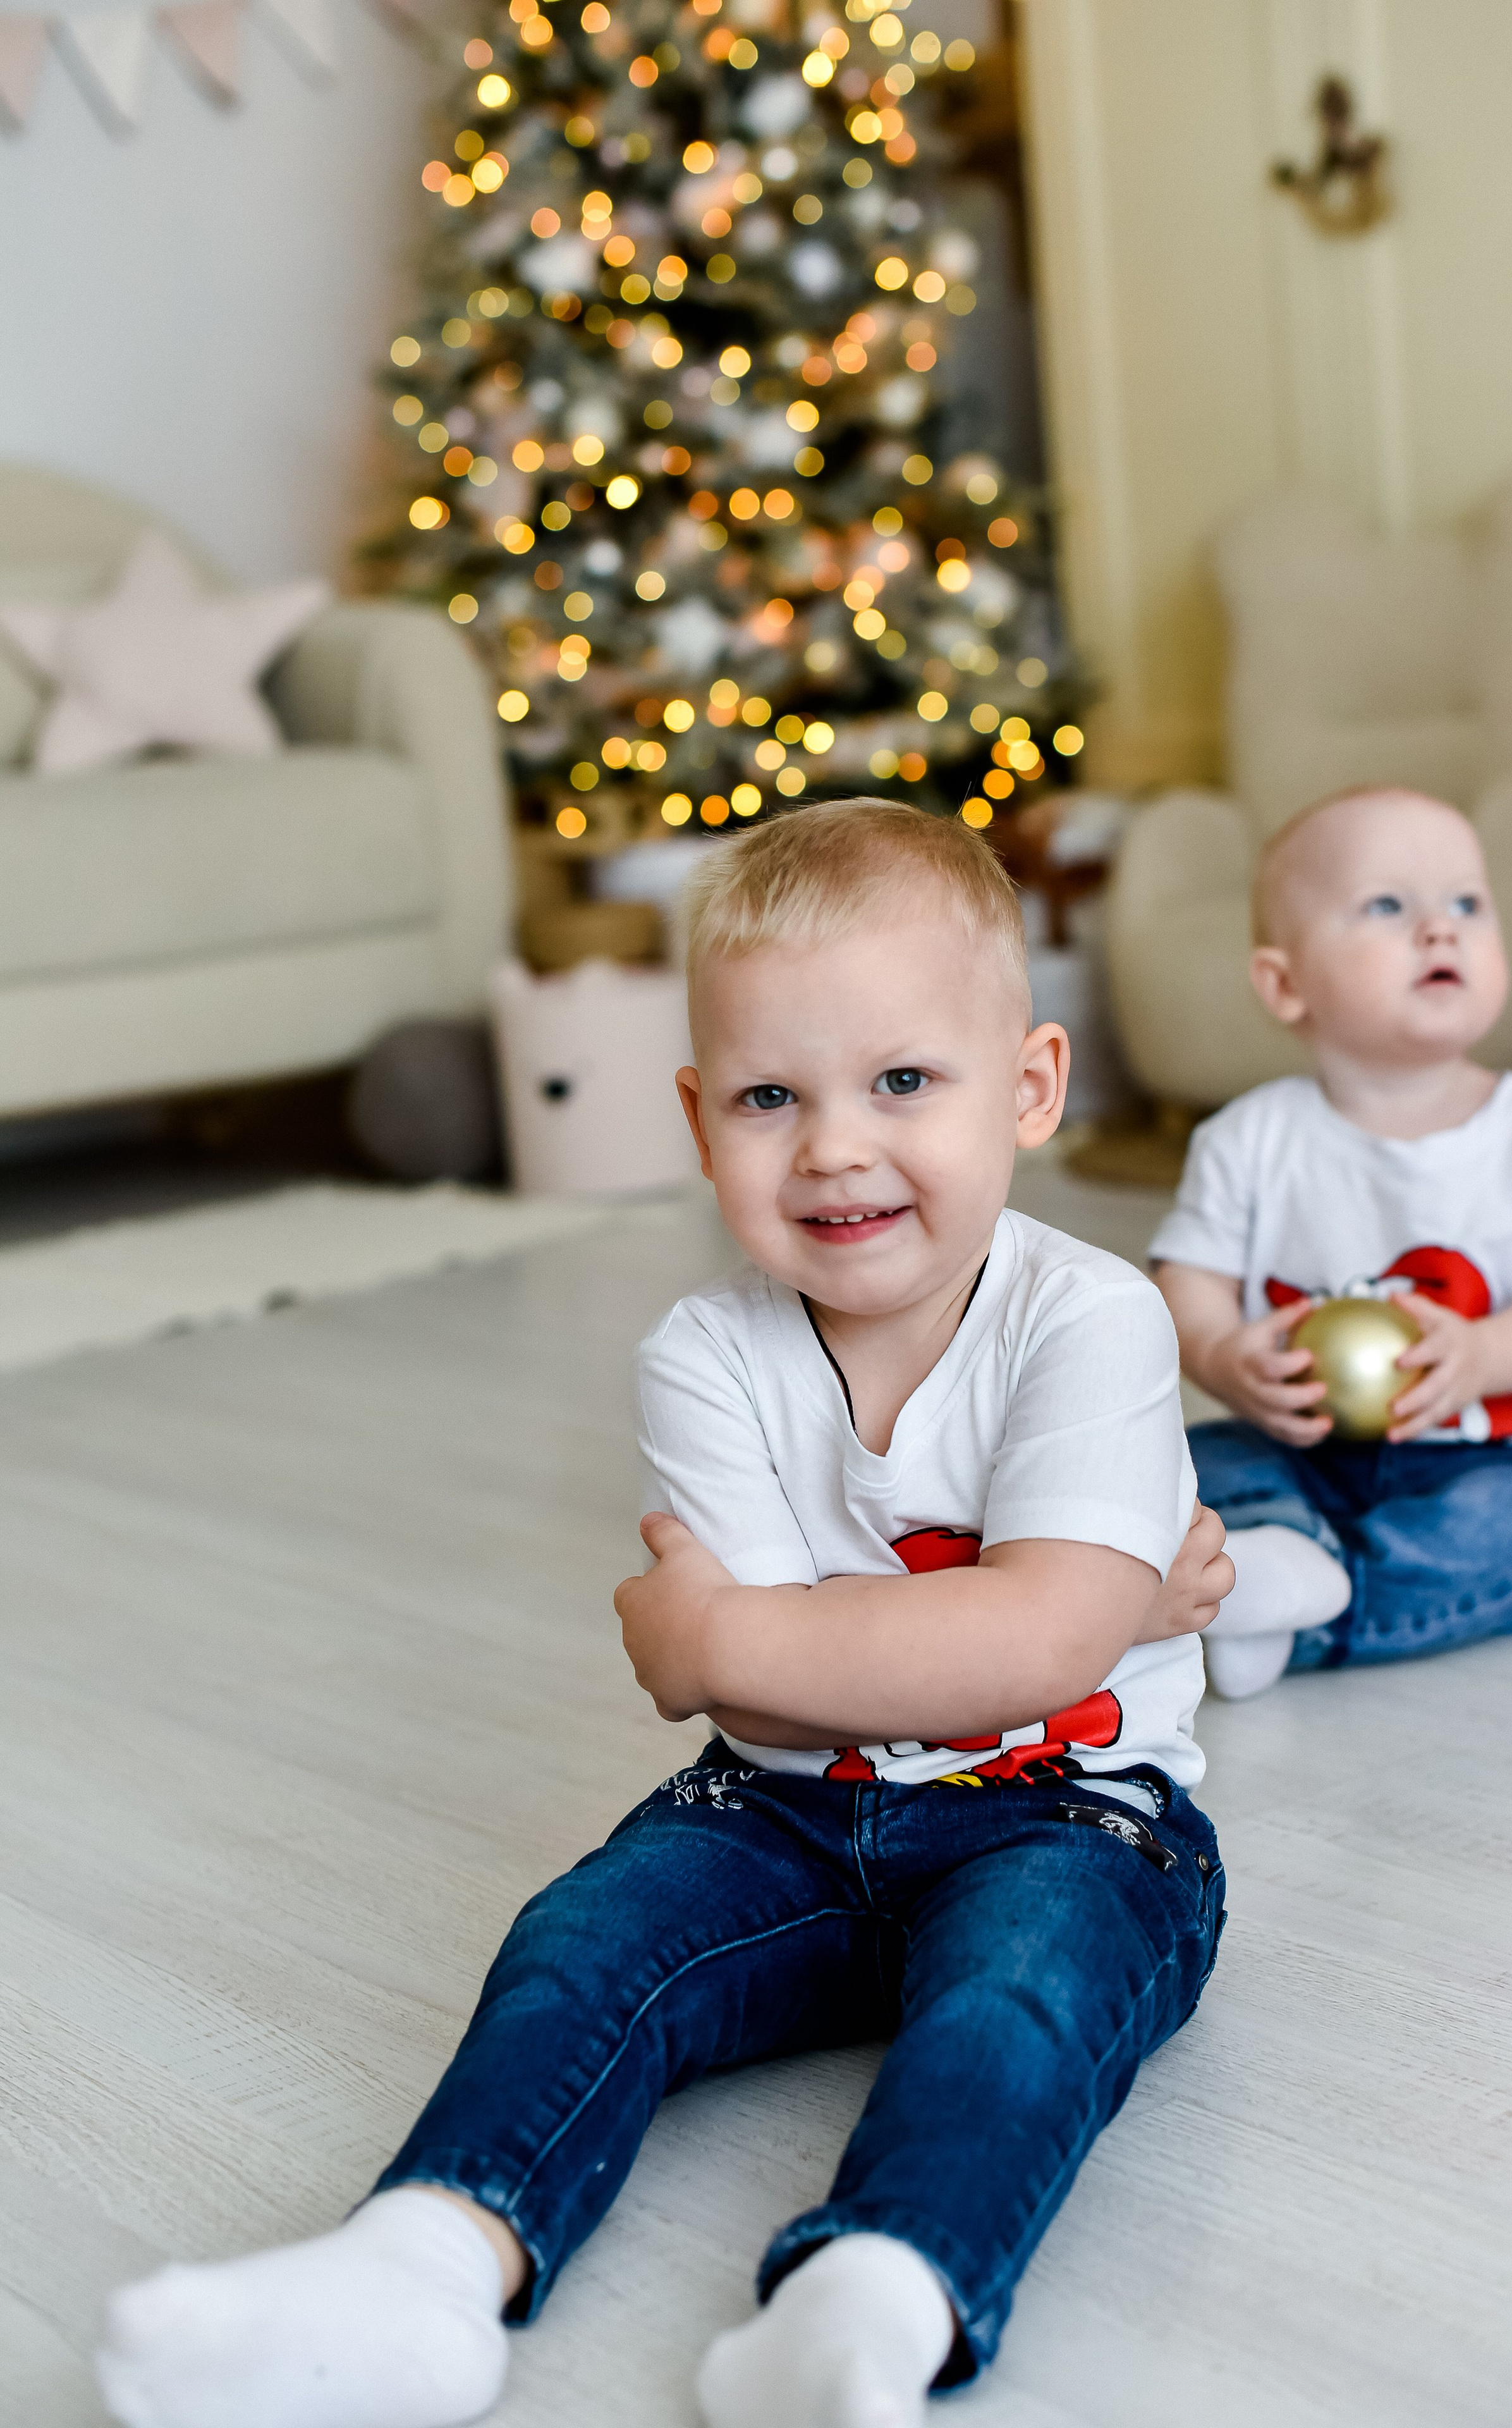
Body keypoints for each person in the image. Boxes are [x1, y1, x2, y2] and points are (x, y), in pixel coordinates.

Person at [96, 799, 1233, 2428]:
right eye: (773, 1096)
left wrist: (719, 1639)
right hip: (783, 1809)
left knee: (1018, 2002)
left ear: (1030, 1088)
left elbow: (1032, 1654)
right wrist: (798, 1659)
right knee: (583, 1944)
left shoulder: (1090, 1322)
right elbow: (784, 1713)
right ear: (702, 1121)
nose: (833, 1144)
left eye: (902, 1081)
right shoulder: (702, 1357)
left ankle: (877, 2291)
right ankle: (423, 2267)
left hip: (1070, 1810)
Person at [1154, 784, 1512, 1701]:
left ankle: (1304, 1605)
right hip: (1299, 1447)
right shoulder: (1249, 1140)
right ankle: (1281, 1554)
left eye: (1466, 904)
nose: (1440, 930)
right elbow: (1186, 1277)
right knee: (1187, 1464)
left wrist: (1484, 1352)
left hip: (1488, 1457)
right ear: (1286, 984)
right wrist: (1223, 1353)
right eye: (1387, 906)